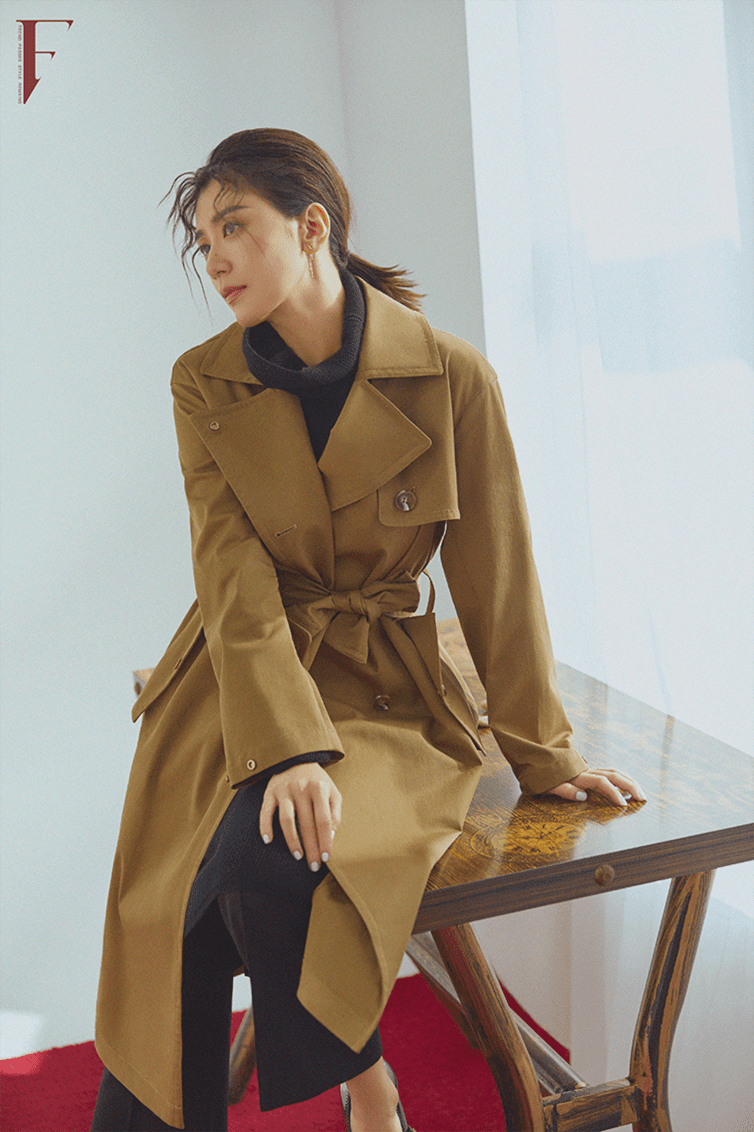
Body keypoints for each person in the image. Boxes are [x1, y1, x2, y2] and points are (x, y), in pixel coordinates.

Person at [90, 128, 644, 1132]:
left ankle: (368, 1088)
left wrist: (542, 749)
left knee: (261, 870)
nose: (214, 260)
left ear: (313, 227)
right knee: (175, 910)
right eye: (203, 240)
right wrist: (288, 749)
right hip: (240, 673)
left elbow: (496, 573)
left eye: (234, 227)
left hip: (385, 683)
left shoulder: (450, 374)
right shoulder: (203, 380)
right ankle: (364, 1086)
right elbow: (231, 572)